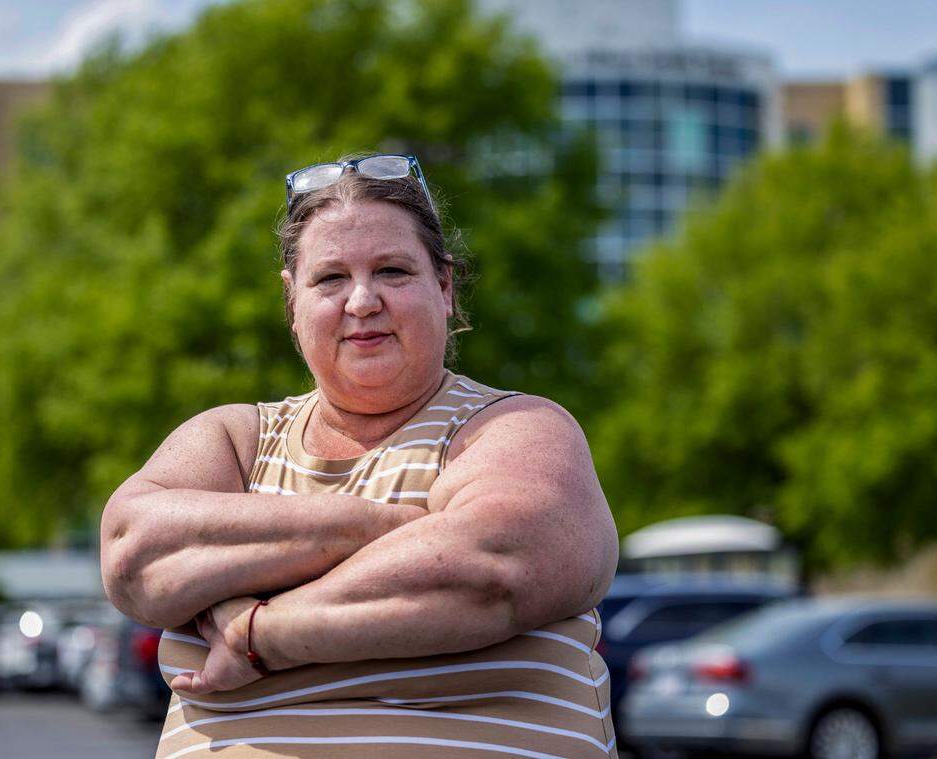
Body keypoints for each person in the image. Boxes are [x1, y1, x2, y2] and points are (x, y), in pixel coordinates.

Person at [100, 153, 620, 758]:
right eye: (330, 279)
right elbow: (133, 554)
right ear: (292, 304)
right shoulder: (236, 439)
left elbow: (492, 570)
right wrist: (385, 527)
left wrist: (257, 635)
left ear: (444, 288)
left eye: (393, 271)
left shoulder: (513, 426)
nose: (363, 300)